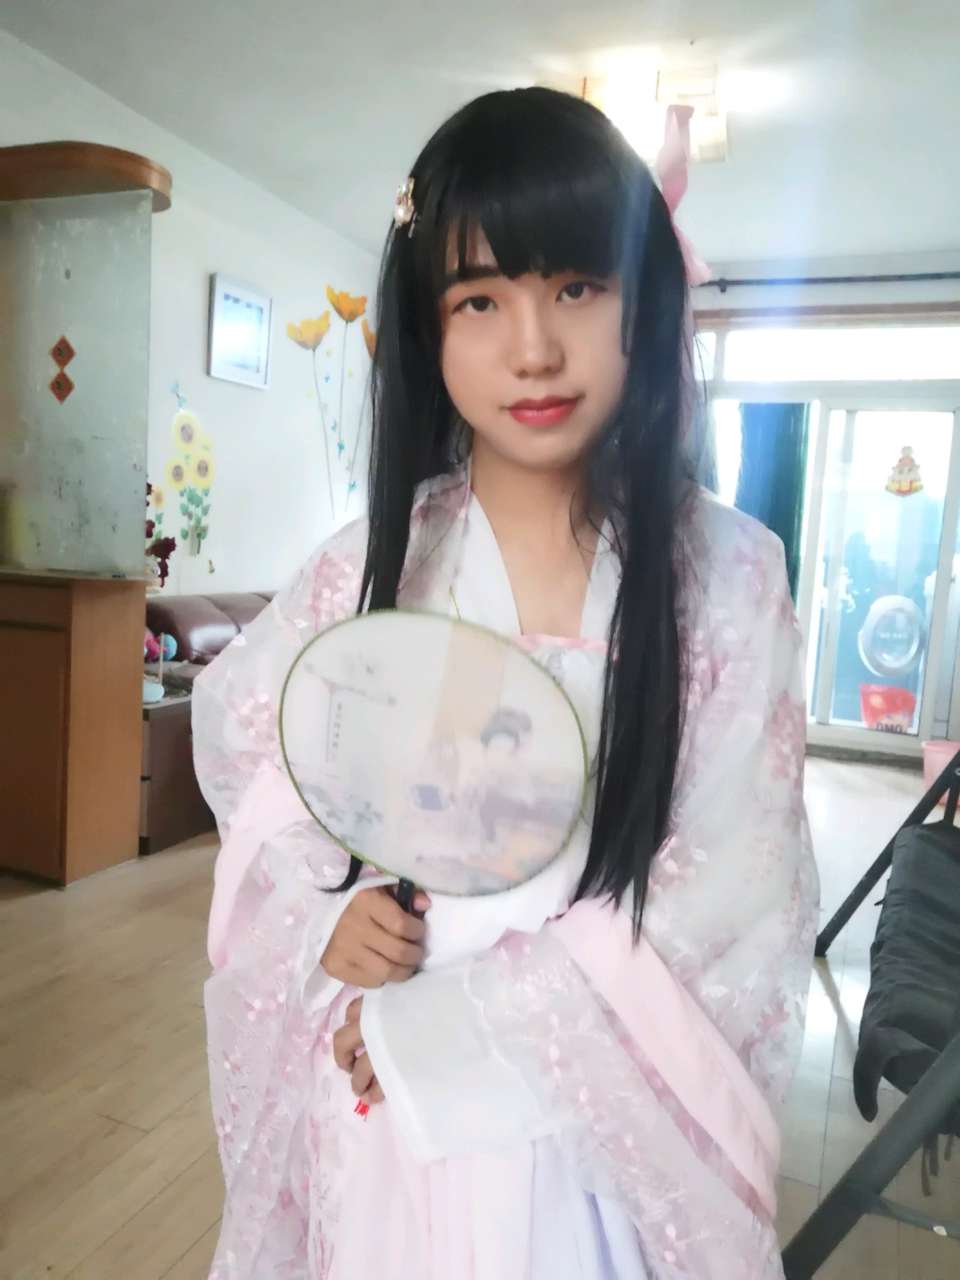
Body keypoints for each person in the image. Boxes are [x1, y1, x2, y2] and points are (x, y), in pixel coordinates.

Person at [194, 87, 819, 1280]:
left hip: (586, 1134)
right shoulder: (368, 566)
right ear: (426, 326)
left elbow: (733, 888)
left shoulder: (731, 576)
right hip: (382, 1102)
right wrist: (329, 916)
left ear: (644, 302)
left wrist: (466, 1026)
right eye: (479, 299)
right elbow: (258, 763)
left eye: (577, 287)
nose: (533, 346)